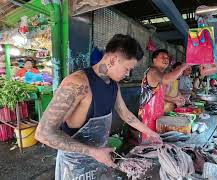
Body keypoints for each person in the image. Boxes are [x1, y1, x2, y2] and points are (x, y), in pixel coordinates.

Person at [35, 34, 162, 179]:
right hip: (74, 166)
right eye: (127, 68)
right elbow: (43, 133)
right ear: (113, 60)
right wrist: (93, 152)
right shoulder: (77, 83)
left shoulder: (113, 84)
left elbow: (124, 113)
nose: (128, 74)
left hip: (100, 157)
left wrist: (152, 134)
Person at [138, 49, 189, 141]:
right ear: (154, 60)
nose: (166, 59)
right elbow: (166, 79)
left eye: (167, 58)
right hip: (148, 115)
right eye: (163, 57)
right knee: (148, 141)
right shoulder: (153, 72)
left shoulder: (160, 74)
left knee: (157, 140)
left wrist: (174, 99)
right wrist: (182, 67)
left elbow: (159, 95)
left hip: (158, 113)